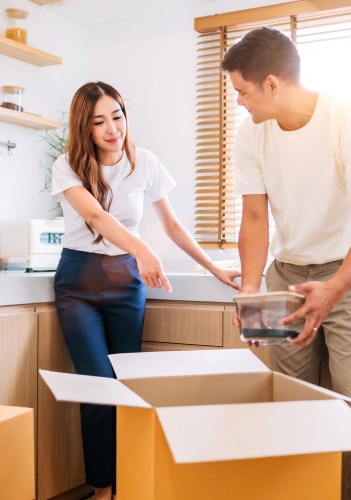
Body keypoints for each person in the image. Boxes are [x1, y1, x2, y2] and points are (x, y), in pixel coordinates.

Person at [222, 28, 351, 500]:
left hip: (347, 276)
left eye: (242, 91)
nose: (239, 102)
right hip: (287, 276)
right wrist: (253, 294)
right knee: (289, 406)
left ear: (272, 84)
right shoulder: (250, 134)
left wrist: (334, 289)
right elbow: (256, 218)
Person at [51, 81, 240, 500]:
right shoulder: (66, 165)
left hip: (125, 285)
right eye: (98, 121)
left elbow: (172, 225)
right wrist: (141, 248)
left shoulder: (146, 163)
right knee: (99, 388)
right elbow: (96, 216)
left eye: (116, 116)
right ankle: (103, 492)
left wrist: (212, 266)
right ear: (84, 127)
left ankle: (130, 484)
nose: (111, 128)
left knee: (126, 388)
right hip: (77, 284)